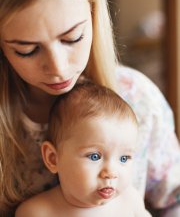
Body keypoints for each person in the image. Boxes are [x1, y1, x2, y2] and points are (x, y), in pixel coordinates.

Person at [0, 0, 179, 216]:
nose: (59, 69)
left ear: (94, 13)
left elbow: (173, 199)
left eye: (72, 38)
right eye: (27, 50)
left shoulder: (138, 98)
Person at [15, 81, 152, 217]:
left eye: (124, 158)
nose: (111, 173)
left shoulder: (130, 201)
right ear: (53, 159)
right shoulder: (35, 212)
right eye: (94, 156)